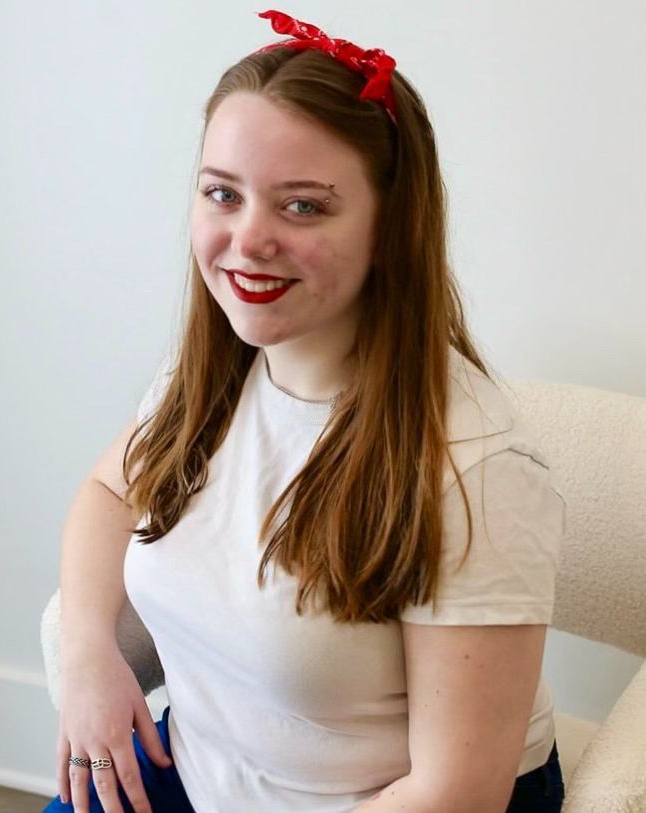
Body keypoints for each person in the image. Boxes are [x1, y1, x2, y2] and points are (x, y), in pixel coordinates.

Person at [44, 9, 566, 813]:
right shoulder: (217, 367)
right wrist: (87, 654)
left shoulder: (478, 472)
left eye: (303, 207)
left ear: (390, 226)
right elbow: (110, 491)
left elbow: (456, 792)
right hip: (205, 765)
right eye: (223, 193)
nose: (247, 239)